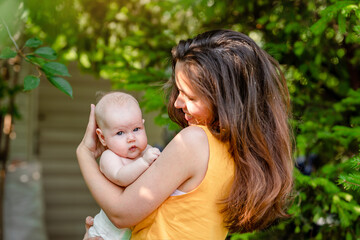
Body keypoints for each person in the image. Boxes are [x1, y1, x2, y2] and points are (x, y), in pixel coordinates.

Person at [77, 29, 293, 240]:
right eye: (178, 91)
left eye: (190, 96)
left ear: (224, 100)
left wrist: (85, 154)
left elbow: (121, 213)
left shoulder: (194, 142)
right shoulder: (240, 152)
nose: (179, 103)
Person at [87, 92, 161, 240]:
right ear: (102, 137)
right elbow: (121, 177)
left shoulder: (146, 151)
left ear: (143, 125)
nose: (131, 138)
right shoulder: (109, 157)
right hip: (106, 234)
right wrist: (145, 162)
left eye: (136, 129)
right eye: (120, 133)